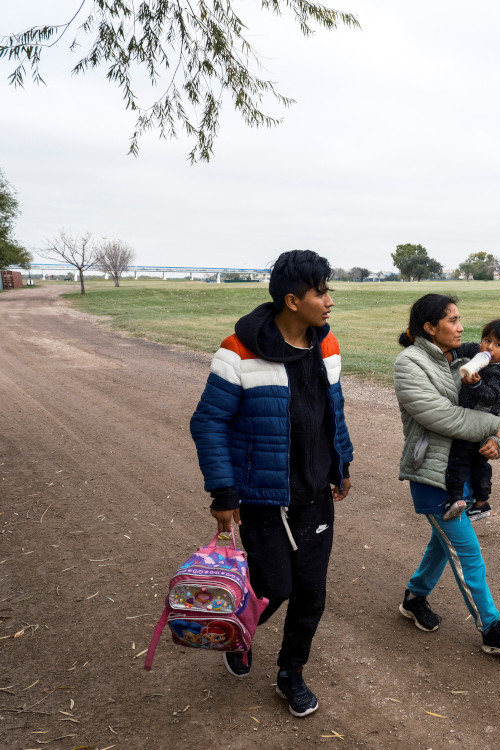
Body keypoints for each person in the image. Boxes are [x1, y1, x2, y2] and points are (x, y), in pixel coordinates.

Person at [190, 250, 354, 718]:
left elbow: (332, 412)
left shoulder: (327, 345)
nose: (328, 301)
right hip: (263, 498)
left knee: (311, 593)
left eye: (328, 290)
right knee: (274, 587)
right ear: (291, 299)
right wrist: (222, 492)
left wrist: (341, 463)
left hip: (315, 494)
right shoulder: (238, 350)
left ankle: (291, 673)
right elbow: (208, 422)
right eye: (320, 291)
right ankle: (237, 633)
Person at [394, 294, 500, 655]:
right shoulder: (409, 363)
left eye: (459, 319)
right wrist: (497, 430)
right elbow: (445, 418)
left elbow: (497, 402)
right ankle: (491, 627)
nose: (462, 327)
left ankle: (414, 597)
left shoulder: (466, 357)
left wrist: (499, 440)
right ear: (429, 327)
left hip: (465, 469)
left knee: (444, 543)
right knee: (466, 552)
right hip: (432, 474)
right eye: (452, 320)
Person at [443, 318, 500, 522]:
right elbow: (469, 347)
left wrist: (475, 386)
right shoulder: (486, 356)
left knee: (459, 458)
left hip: (478, 422)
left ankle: (454, 498)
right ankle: (481, 503)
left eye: (498, 345)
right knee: (480, 463)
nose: (488, 347)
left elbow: (492, 396)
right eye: (487, 340)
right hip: (479, 421)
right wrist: (453, 353)